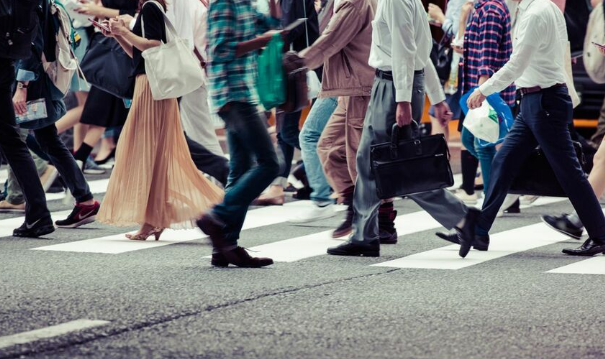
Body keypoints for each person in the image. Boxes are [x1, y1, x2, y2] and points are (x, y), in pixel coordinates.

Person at [327, 0, 480, 259]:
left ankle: (463, 217)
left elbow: (404, 52)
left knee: (400, 167)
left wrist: (403, 100)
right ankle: (364, 236)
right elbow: (422, 54)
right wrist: (437, 97)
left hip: (393, 88)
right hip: (395, 86)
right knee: (368, 161)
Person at [465, 0, 605, 257]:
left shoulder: (537, 12)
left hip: (544, 102)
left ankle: (601, 235)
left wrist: (483, 91)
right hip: (534, 101)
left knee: (569, 173)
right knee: (503, 161)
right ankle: (479, 231)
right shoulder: (537, 9)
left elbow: (516, 63)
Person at [98, 0, 223, 240]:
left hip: (152, 89)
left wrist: (124, 31)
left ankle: (210, 205)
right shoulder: (149, 8)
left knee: (147, 154)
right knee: (152, 156)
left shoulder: (150, 7)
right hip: (148, 86)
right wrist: (118, 36)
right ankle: (152, 220)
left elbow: (153, 45)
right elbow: (139, 54)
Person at [292, 0, 401, 243]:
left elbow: (331, 39)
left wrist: (298, 63)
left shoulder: (355, 2)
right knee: (329, 147)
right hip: (347, 87)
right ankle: (356, 207)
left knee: (360, 158)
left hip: (360, 86)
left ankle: (377, 222)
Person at [196, 0, 283, 268]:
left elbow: (272, 26)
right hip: (232, 95)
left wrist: (273, 5)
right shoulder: (224, 4)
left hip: (245, 92)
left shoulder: (245, 4)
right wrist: (260, 42)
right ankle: (217, 215)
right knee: (270, 164)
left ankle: (225, 248)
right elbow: (219, 50)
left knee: (240, 169)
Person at [12, 0, 101, 230]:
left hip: (32, 81)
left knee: (21, 139)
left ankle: (63, 190)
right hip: (40, 79)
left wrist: (22, 85)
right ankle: (84, 198)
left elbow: (32, 44)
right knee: (45, 138)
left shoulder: (33, 4)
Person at [255, 0, 320, 205]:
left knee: (288, 132)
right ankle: (278, 186)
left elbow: (292, 29)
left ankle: (334, 167)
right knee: (285, 132)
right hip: (293, 69)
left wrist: (262, 40)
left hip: (297, 70)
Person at [0, 0, 54, 237]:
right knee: (12, 141)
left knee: (12, 141)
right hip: (7, 60)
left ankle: (39, 215)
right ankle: (39, 214)